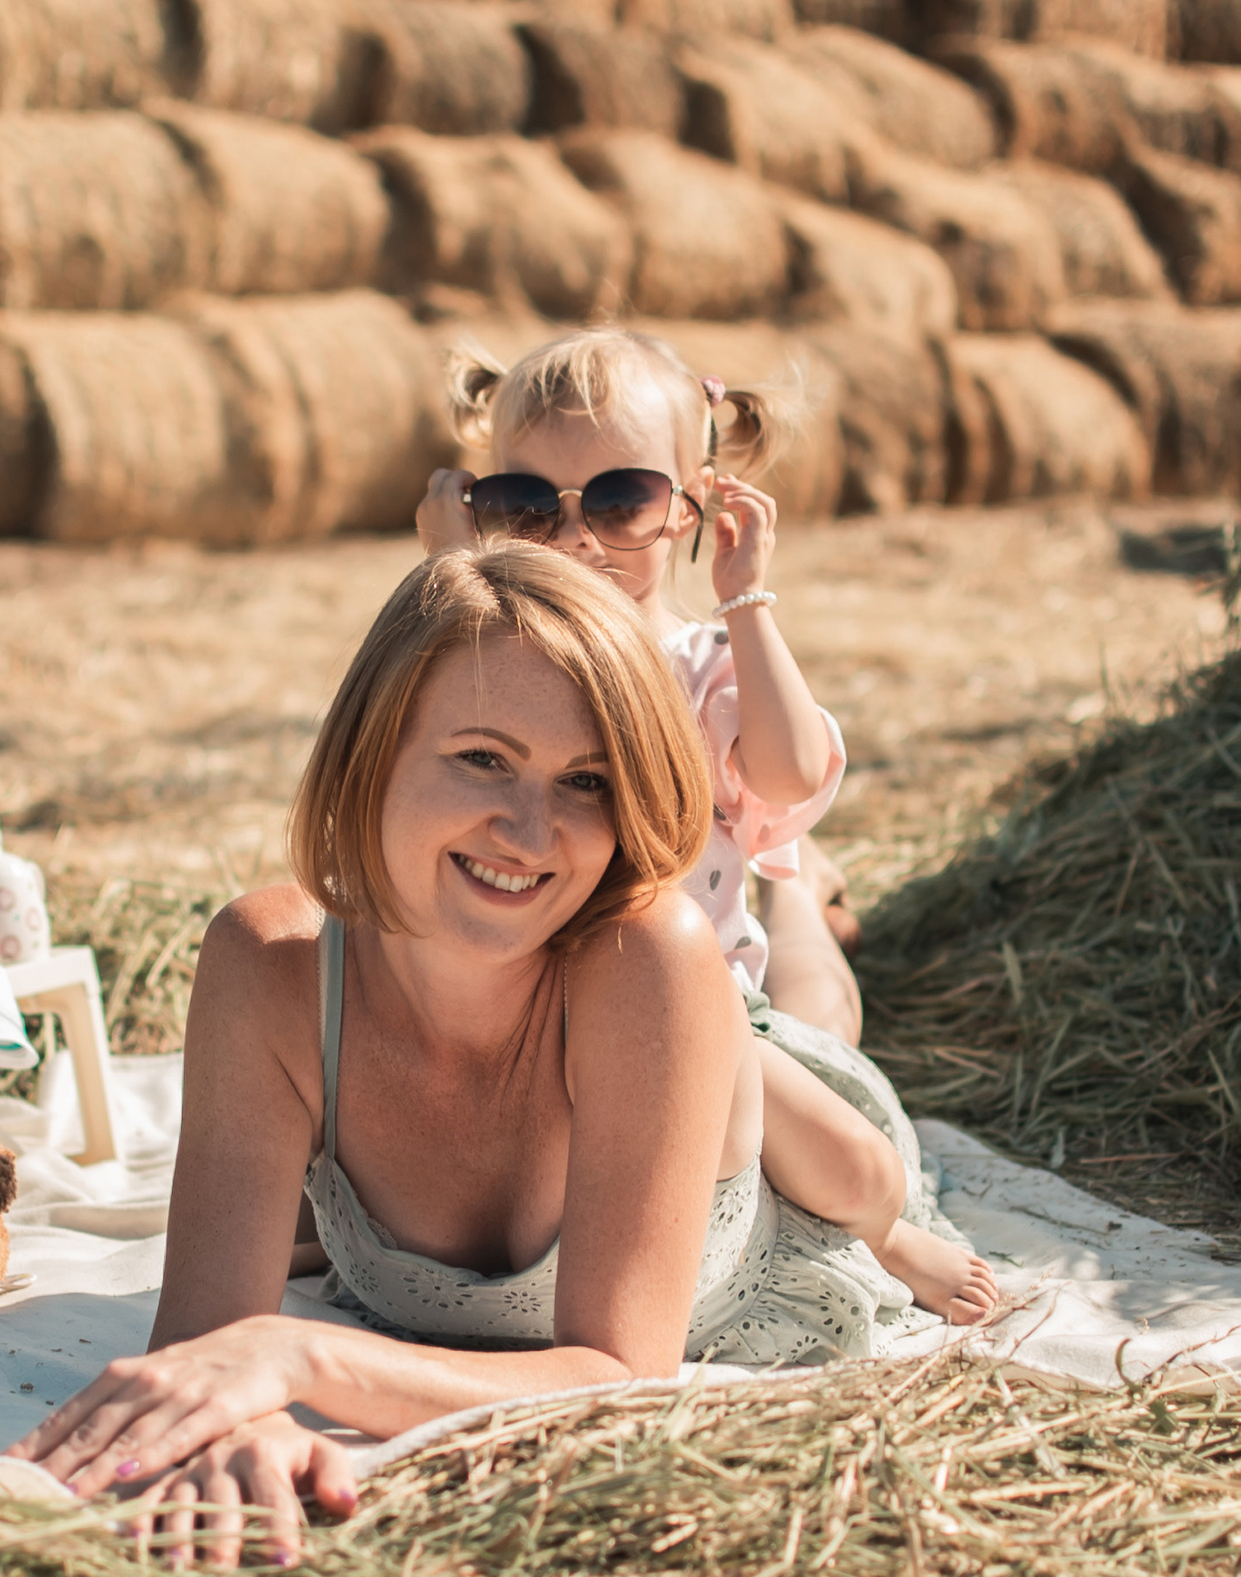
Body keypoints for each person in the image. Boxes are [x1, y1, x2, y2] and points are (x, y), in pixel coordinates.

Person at [11, 544, 991, 1566]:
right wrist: (244, 1420)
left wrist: (294, 1354)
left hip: (764, 1151)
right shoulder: (267, 965)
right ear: (371, 754)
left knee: (827, 1075)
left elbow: (618, 1371)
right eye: (482, 757)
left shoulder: (651, 957)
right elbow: (205, 1348)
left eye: (584, 781)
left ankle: (796, 899)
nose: (529, 831)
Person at [412, 326, 990, 1323]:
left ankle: (884, 1233)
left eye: (620, 499)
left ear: (690, 506)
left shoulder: (696, 661)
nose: (575, 536)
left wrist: (748, 602)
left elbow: (792, 766)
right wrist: (448, 576)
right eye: (522, 505)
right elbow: (407, 740)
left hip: (698, 1006)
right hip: (522, 1007)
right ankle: (794, 881)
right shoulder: (482, 653)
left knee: (848, 1153)